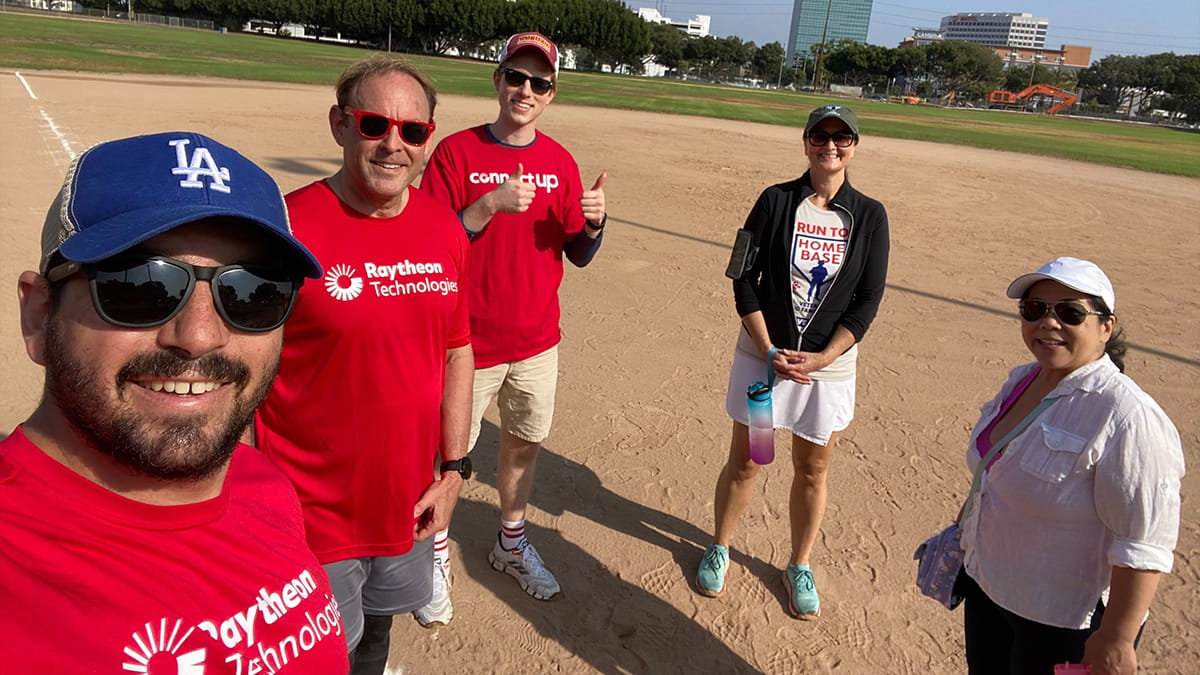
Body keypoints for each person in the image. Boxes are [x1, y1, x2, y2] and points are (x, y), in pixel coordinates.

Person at [0, 132, 349, 672]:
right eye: (140, 285)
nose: (200, 335)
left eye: (254, 291)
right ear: (39, 315)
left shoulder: (259, 481)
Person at [253, 55, 473, 673]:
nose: (392, 144)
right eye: (375, 124)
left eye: (413, 131)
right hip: (307, 509)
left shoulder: (444, 230)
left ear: (429, 137)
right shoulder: (287, 228)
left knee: (376, 639)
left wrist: (454, 468)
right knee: (317, 655)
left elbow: (457, 349)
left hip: (406, 497)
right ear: (340, 125)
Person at [417, 31, 607, 620]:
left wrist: (595, 225)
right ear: (498, 81)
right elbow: (429, 248)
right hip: (464, 343)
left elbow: (576, 252)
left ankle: (511, 542)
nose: (526, 90)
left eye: (539, 83)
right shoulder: (456, 153)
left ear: (551, 94)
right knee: (446, 456)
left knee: (523, 448)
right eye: (517, 78)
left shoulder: (560, 161)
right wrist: (484, 207)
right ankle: (436, 552)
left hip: (535, 343)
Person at [695, 104, 890, 619]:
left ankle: (798, 564)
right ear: (805, 143)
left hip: (823, 374)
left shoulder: (869, 215)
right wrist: (767, 349)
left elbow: (868, 299)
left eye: (841, 136)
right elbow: (742, 275)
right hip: (766, 365)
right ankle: (721, 546)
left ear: (854, 144)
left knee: (812, 469)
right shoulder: (775, 201)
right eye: (820, 136)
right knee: (750, 457)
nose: (830, 145)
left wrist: (824, 357)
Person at [956, 257, 1183, 675]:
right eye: (1035, 309)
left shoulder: (1127, 416)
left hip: (1060, 620)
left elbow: (1144, 540)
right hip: (990, 588)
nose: (1048, 322)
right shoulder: (1023, 379)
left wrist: (1117, 637)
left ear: (1106, 327)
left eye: (1070, 312)